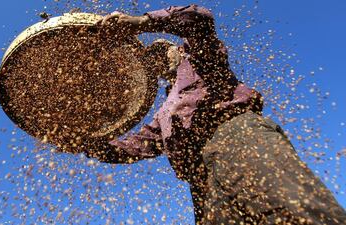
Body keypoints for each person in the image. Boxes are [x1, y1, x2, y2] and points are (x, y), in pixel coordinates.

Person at [81, 5, 346, 224]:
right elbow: (134, 147)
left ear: (178, 49)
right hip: (200, 179)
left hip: (237, 137)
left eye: (162, 51)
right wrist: (81, 143)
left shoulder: (202, 58)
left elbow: (199, 19)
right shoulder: (165, 111)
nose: (158, 60)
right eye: (153, 61)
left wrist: (141, 23)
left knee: (287, 207)